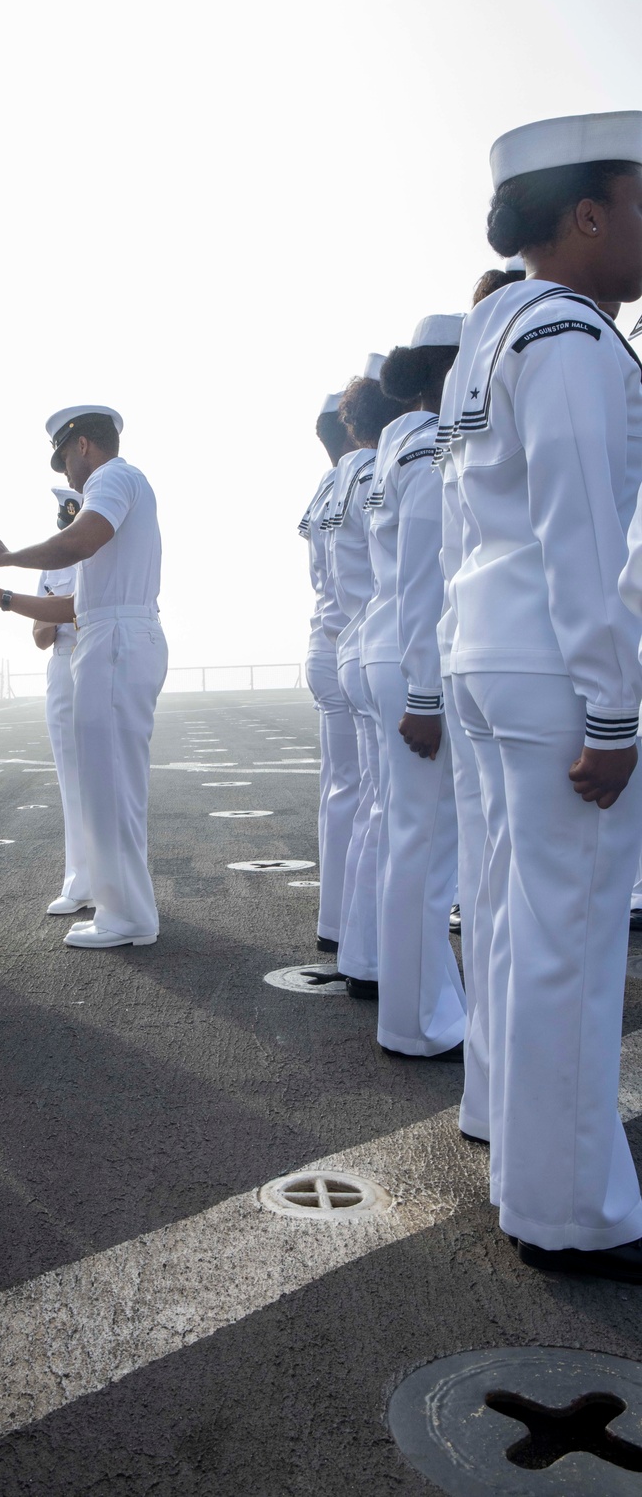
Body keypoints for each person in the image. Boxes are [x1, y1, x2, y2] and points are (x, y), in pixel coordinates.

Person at [440, 110, 642, 1280]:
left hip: (491, 652)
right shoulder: (567, 334)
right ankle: (569, 1212)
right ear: (585, 216)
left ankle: (521, 1158)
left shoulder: (494, 327)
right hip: (558, 668)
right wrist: (615, 712)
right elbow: (583, 540)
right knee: (564, 938)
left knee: (520, 929)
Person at [0, 405, 167, 948]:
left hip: (116, 643)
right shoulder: (124, 482)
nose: (66, 476)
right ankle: (125, 908)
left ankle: (126, 915)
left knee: (109, 784)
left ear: (81, 445)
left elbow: (80, 542)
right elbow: (77, 606)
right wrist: (5, 599)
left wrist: (9, 558)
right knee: (109, 785)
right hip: (113, 634)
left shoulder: (113, 476)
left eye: (63, 460)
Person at [360, 315, 467, 1060]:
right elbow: (427, 576)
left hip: (386, 650)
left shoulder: (396, 447)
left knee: (411, 843)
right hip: (412, 659)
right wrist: (427, 696)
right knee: (427, 851)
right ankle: (422, 1022)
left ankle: (413, 1012)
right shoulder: (431, 448)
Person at [318, 358, 412, 998]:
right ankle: (374, 955)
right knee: (391, 812)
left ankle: (350, 934)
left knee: (356, 798)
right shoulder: (384, 466)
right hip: (382, 643)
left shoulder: (333, 482)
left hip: (342, 642)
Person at [300, 393, 358, 958]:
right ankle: (357, 931)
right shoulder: (367, 475)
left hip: (328, 642)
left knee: (341, 792)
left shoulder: (328, 484)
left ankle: (338, 921)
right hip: (357, 645)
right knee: (367, 797)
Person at [32, 487, 91, 915]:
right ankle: (77, 880)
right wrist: (55, 612)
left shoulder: (107, 555)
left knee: (107, 777)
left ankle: (112, 880)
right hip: (62, 665)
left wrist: (64, 610)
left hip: (98, 661)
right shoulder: (50, 569)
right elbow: (38, 635)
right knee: (71, 779)